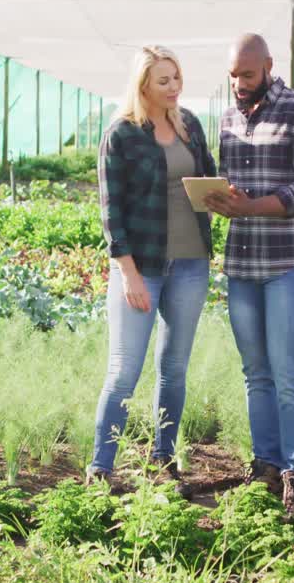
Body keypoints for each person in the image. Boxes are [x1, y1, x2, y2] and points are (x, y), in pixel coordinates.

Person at [204, 33, 294, 514]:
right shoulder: (229, 118)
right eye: (232, 75)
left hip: (287, 261)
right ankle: (267, 465)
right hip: (242, 261)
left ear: (269, 67)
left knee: (286, 369)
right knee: (255, 372)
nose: (238, 84)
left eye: (247, 75)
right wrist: (219, 199)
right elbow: (231, 181)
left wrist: (251, 206)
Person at [88, 45, 216, 494]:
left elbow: (208, 181)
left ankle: (164, 460)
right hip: (141, 266)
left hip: (190, 263)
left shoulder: (190, 126)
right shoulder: (121, 135)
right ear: (143, 84)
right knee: (124, 369)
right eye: (164, 81)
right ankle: (101, 469)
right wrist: (128, 273)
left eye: (177, 78)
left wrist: (223, 200)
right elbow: (111, 211)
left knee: (174, 367)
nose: (174, 88)